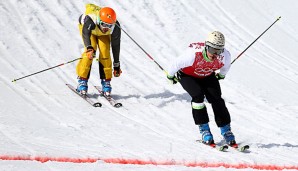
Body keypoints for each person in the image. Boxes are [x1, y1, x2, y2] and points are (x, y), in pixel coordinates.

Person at [166, 31, 236, 146]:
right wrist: (170, 76)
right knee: (198, 96)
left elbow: (226, 67)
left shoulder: (225, 56)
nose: (215, 54)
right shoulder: (193, 55)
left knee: (216, 98)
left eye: (219, 50)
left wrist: (222, 75)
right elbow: (175, 64)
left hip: (207, 75)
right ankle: (204, 130)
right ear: (206, 46)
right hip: (188, 75)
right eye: (213, 50)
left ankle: (226, 130)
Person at [76, 4, 122, 96]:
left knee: (105, 52)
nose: (106, 28)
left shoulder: (115, 27)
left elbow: (116, 46)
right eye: (104, 24)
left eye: (109, 25)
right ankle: (82, 80)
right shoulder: (91, 20)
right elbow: (86, 33)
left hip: (102, 35)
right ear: (99, 20)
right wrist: (89, 48)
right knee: (90, 51)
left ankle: (106, 81)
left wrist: (116, 65)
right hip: (89, 31)